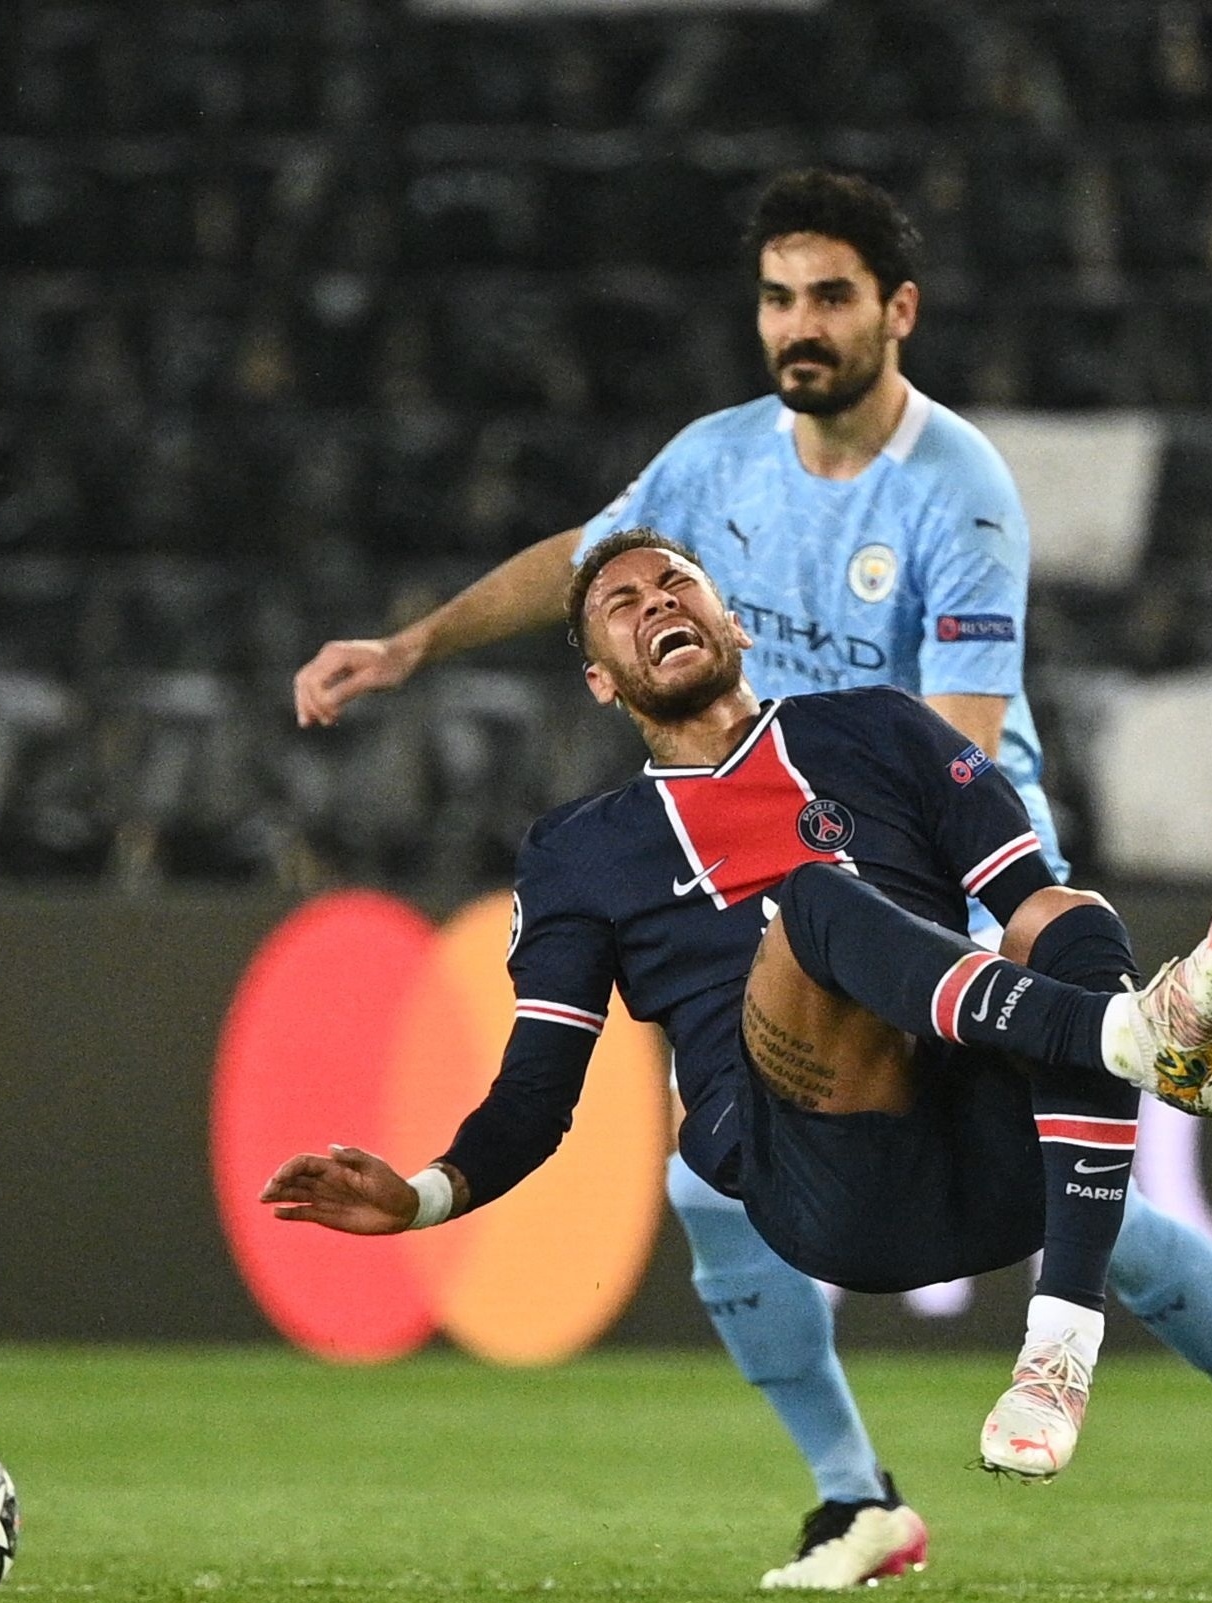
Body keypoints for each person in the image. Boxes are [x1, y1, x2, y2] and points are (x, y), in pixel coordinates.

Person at [291, 168, 1212, 1589]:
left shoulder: (953, 494)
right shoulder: (712, 465)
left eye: (828, 295)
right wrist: (413, 646)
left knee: (1076, 1146)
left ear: (894, 312)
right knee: (717, 1164)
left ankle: (1056, 1287)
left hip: (933, 880)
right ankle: (857, 1494)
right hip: (789, 922)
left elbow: (955, 742)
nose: (797, 322)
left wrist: (903, 884)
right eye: (777, 295)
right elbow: (582, 558)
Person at [266, 531, 1212, 1498]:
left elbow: (1028, 913)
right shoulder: (580, 852)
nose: (657, 602)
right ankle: (1137, 1038)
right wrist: (426, 1196)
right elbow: (538, 1092)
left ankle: (1059, 1343)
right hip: (826, 1180)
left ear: (738, 626)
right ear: (603, 682)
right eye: (622, 605)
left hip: (991, 1157)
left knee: (1068, 917)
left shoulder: (883, 730)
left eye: (678, 584)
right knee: (813, 904)